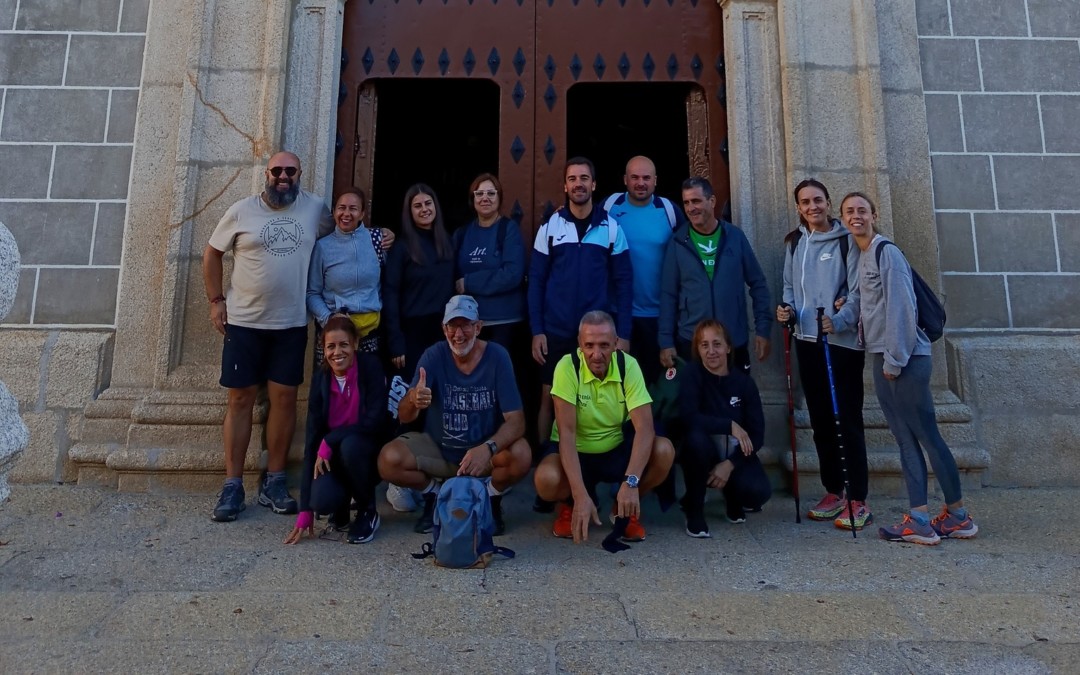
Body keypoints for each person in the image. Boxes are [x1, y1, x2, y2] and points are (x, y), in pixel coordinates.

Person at [832, 192, 978, 545]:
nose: (856, 216)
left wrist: (895, 361)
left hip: (905, 359)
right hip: (884, 356)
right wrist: (836, 321)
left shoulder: (887, 252)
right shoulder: (859, 252)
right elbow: (859, 300)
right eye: (849, 211)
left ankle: (956, 516)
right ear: (843, 218)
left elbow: (902, 309)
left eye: (862, 210)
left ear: (873, 214)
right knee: (905, 438)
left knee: (927, 435)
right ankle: (922, 518)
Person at [203, 151, 334, 523]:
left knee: (285, 400)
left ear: (299, 174)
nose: (283, 176)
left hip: (291, 324)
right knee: (241, 400)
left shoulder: (314, 209)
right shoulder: (242, 210)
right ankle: (232, 484)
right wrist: (215, 301)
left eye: (290, 171)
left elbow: (341, 230)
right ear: (266, 174)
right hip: (243, 323)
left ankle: (274, 481)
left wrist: (378, 237)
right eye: (276, 170)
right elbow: (211, 254)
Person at [377, 295, 531, 536]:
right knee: (388, 459)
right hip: (440, 449)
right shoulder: (434, 355)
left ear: (478, 327)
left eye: (465, 325)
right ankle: (434, 494)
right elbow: (404, 416)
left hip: (483, 454)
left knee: (521, 453)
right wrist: (413, 400)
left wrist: (488, 448)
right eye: (452, 326)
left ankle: (491, 498)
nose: (458, 334)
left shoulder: (497, 356)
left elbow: (517, 420)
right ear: (444, 328)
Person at [776, 179, 871, 530]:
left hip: (841, 343)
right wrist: (785, 309)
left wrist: (840, 320)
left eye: (818, 200)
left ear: (829, 203)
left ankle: (858, 497)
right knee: (819, 420)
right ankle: (834, 491)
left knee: (847, 419)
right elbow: (789, 287)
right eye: (805, 202)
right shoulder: (795, 242)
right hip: (806, 341)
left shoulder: (847, 240)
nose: (812, 206)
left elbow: (856, 290)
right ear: (798, 208)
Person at [533, 311, 675, 543]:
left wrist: (631, 483)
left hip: (615, 447)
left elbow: (645, 429)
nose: (596, 354)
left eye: (604, 345)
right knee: (545, 479)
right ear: (579, 344)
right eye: (589, 345)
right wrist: (579, 495)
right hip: (576, 451)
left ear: (616, 343)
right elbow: (566, 434)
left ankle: (625, 507)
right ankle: (570, 504)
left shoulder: (628, 366)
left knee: (664, 450)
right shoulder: (566, 367)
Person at [528, 157, 633, 451]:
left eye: (584, 178)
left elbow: (625, 284)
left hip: (597, 336)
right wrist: (537, 330)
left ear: (594, 184)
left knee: (601, 400)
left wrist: (622, 334)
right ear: (565, 185)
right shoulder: (550, 228)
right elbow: (536, 281)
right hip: (556, 330)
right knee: (549, 397)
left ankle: (598, 462)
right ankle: (545, 464)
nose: (578, 184)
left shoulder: (611, 228)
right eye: (572, 179)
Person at [284, 316, 388, 545]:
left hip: (368, 451)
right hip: (335, 457)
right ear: (323, 349)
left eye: (344, 345)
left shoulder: (370, 367)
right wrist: (305, 510)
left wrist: (330, 440)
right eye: (331, 346)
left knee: (351, 445)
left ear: (355, 345)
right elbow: (312, 442)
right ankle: (339, 510)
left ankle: (367, 511)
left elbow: (376, 421)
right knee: (320, 500)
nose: (337, 352)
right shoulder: (321, 379)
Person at [660, 176, 772, 374]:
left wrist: (762, 329)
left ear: (711, 201)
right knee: (696, 403)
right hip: (692, 342)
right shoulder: (677, 242)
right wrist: (666, 341)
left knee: (735, 402)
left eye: (696, 201)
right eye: (686, 202)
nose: (690, 208)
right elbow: (668, 294)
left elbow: (758, 284)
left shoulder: (734, 237)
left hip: (732, 339)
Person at [678, 319, 771, 537]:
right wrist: (729, 425)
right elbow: (688, 417)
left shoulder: (744, 383)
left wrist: (730, 464)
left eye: (717, 344)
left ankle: (733, 497)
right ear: (698, 350)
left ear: (728, 347)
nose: (711, 351)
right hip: (702, 451)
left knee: (758, 492)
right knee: (694, 440)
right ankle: (695, 509)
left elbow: (757, 435)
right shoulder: (692, 374)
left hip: (733, 454)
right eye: (704, 345)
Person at [602, 156, 683, 385]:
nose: (641, 183)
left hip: (658, 316)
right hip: (618, 314)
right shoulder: (609, 207)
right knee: (618, 383)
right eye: (635, 177)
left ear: (655, 181)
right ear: (625, 179)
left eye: (646, 178)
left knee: (656, 384)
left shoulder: (669, 210)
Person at [384, 183, 455, 380]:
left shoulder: (448, 242)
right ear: (409, 212)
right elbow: (390, 294)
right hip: (412, 334)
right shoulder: (401, 248)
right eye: (417, 206)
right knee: (416, 394)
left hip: (444, 332)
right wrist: (395, 340)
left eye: (428, 203)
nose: (424, 209)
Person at [306, 188, 386, 357]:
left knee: (366, 381)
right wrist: (329, 319)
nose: (346, 213)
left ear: (362, 213)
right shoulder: (322, 246)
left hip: (369, 331)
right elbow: (312, 293)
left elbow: (387, 284)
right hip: (334, 333)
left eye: (353, 208)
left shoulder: (377, 240)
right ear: (334, 211)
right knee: (332, 383)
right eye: (341, 208)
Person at [452, 173, 527, 350]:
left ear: (499, 198)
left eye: (491, 193)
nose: (485, 198)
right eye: (479, 194)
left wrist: (469, 282)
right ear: (473, 199)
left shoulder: (508, 230)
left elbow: (512, 274)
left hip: (505, 323)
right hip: (470, 323)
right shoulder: (462, 234)